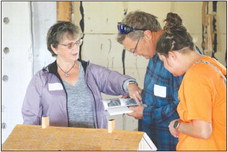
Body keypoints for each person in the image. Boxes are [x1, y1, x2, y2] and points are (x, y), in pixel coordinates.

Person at [22, 21, 142, 129]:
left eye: (77, 42)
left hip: (94, 142)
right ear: (54, 48)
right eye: (69, 45)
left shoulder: (91, 71)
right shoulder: (42, 79)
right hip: (58, 144)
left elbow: (113, 79)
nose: (75, 48)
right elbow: (30, 118)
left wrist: (129, 84)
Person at [156, 12, 226, 150]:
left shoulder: (196, 77)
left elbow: (203, 131)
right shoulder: (211, 65)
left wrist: (176, 125)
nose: (164, 67)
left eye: (163, 61)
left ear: (172, 55)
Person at [116, 11, 183, 150]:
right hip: (152, 139)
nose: (135, 54)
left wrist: (145, 113)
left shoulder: (177, 56)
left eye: (134, 49)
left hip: (171, 143)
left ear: (147, 35)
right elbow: (163, 94)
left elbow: (184, 107)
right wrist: (141, 97)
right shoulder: (154, 53)